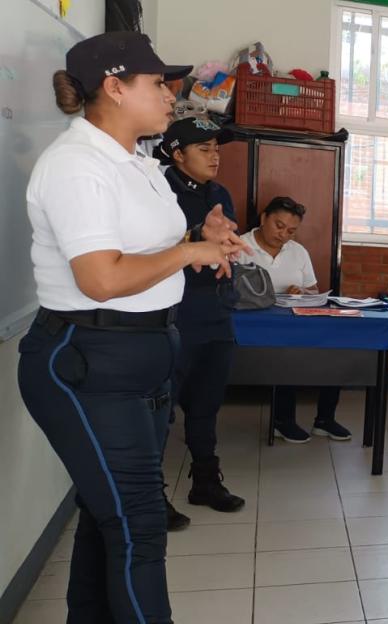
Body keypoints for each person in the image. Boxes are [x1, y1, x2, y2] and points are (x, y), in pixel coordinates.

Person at [19, 32, 246, 623]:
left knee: (108, 517)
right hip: (88, 356)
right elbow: (100, 278)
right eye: (157, 84)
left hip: (142, 353)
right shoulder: (76, 165)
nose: (172, 95)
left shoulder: (137, 163)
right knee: (139, 524)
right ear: (115, 88)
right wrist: (188, 253)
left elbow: (155, 247)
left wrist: (205, 237)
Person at [156, 117, 246, 519]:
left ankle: (206, 482)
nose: (215, 157)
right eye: (204, 149)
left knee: (207, 402)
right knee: (161, 405)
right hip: (177, 312)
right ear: (178, 154)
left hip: (216, 310)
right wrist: (198, 234)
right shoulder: (158, 189)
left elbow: (222, 241)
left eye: (217, 148)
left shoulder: (219, 192)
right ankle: (151, 493)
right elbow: (153, 247)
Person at [240, 197, 352, 442]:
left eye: (291, 231)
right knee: (287, 354)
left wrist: (302, 293)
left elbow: (314, 291)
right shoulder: (239, 247)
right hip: (256, 327)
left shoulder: (298, 251)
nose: (283, 235)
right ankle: (283, 420)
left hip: (295, 322)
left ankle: (325, 420)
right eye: (278, 226)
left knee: (335, 351)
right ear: (263, 218)